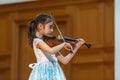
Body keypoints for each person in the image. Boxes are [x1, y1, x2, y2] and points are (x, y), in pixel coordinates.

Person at [28, 13, 85, 80]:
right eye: (50, 27)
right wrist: (63, 44)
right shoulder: (37, 41)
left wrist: (76, 47)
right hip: (44, 72)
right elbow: (51, 51)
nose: (52, 30)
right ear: (40, 26)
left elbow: (65, 61)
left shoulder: (49, 44)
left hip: (54, 72)